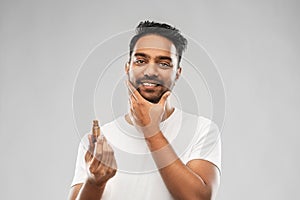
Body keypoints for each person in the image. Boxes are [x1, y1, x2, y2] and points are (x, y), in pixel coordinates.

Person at [68, 21, 221, 200]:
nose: (150, 71)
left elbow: (199, 198)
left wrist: (151, 131)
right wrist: (95, 182)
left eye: (163, 64)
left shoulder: (201, 129)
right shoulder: (100, 140)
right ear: (128, 67)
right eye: (140, 61)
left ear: (177, 73)